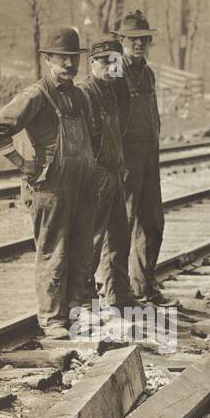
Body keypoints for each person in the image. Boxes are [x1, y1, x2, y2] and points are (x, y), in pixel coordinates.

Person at [0, 26, 97, 336]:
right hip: (50, 188)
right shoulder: (36, 95)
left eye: (74, 59)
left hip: (80, 187)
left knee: (81, 251)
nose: (69, 65)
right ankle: (52, 319)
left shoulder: (79, 95)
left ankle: (75, 314)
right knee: (53, 252)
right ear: (48, 59)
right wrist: (22, 164)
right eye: (62, 59)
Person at [110, 9, 173, 306]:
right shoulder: (114, 71)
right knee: (121, 225)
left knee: (153, 223)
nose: (139, 44)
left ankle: (144, 286)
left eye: (144, 39)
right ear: (122, 39)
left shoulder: (147, 72)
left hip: (149, 158)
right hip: (125, 160)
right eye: (133, 39)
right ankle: (114, 290)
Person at [75, 37, 134, 313]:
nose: (111, 67)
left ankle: (118, 294)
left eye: (115, 61)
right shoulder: (85, 92)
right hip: (96, 175)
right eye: (104, 61)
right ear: (92, 63)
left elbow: (118, 132)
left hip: (114, 172)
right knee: (92, 240)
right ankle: (84, 300)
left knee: (119, 237)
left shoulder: (112, 91)